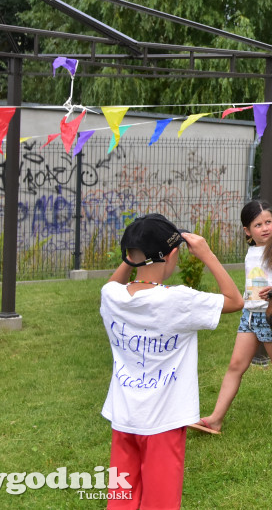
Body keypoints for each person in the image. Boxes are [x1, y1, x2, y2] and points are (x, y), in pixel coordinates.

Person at [100, 213, 243, 509]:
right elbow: (235, 301)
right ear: (173, 254)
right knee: (161, 502)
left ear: (129, 256)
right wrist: (208, 255)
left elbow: (116, 282)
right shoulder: (180, 300)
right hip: (164, 423)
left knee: (121, 499)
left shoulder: (111, 295)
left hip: (123, 418)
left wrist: (132, 258)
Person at [192, 201, 272, 434]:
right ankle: (216, 419)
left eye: (269, 222)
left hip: (271, 316)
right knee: (236, 365)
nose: (265, 228)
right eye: (258, 225)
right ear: (247, 231)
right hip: (249, 315)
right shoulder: (252, 251)